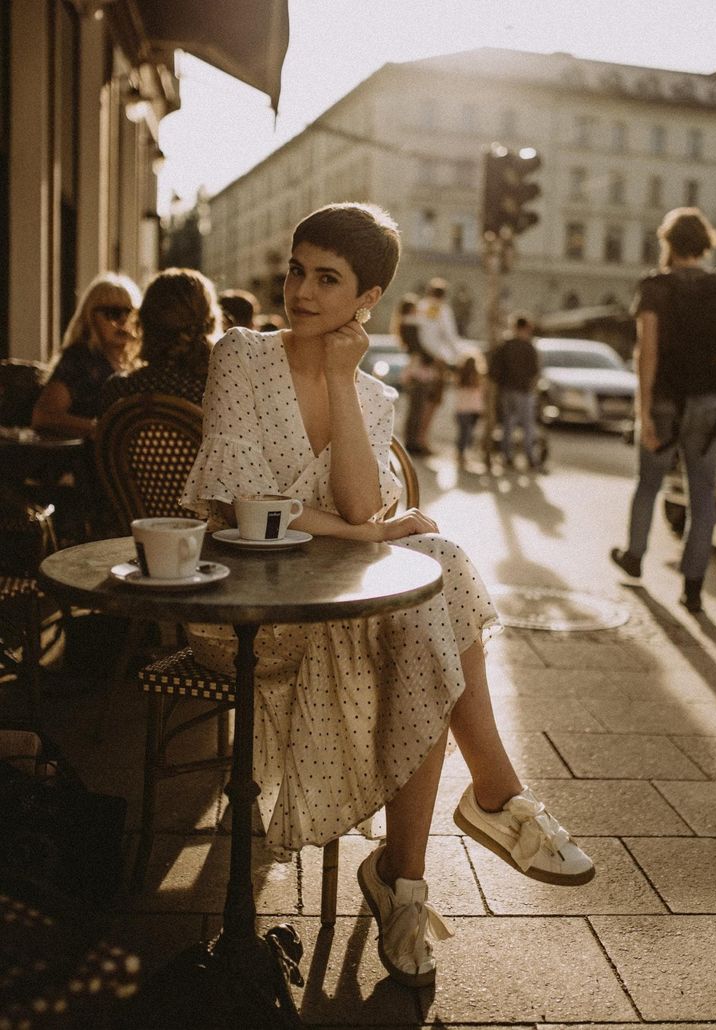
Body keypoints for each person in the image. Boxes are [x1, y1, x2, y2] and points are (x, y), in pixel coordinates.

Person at [181, 202, 594, 990]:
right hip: (242, 614)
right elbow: (244, 503)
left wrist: (340, 381)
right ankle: (478, 814)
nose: (300, 291)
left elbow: (359, 506)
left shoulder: (372, 396)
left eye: (326, 279)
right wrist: (366, 538)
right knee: (428, 591)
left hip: (335, 609)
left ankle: (407, 881)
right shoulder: (239, 354)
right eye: (298, 270)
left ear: (367, 299)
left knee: (426, 620)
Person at [611, 207, 716, 613]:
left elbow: (647, 351)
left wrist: (643, 410)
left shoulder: (655, 286)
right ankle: (693, 585)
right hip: (709, 402)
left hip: (665, 398)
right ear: (705, 244)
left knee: (649, 482)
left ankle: (634, 556)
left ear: (668, 242)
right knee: (703, 494)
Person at [32, 272, 141, 440]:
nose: (123, 320)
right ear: (91, 317)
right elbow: (44, 416)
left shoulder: (139, 363)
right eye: (113, 312)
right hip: (89, 459)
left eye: (130, 312)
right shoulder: (78, 359)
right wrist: (104, 429)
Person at [100, 268, 221, 412]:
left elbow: (104, 434)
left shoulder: (119, 389)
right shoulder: (219, 391)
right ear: (208, 322)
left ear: (144, 322)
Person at [411, 277, 462, 455]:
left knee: (420, 402)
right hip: (437, 360)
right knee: (432, 401)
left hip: (423, 359)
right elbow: (449, 335)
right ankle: (422, 439)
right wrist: (457, 357)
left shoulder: (421, 307)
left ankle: (416, 439)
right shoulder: (440, 309)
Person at [489, 313, 541, 468]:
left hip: (507, 390)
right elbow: (534, 371)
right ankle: (529, 456)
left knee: (508, 423)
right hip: (523, 391)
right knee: (527, 425)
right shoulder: (528, 347)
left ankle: (508, 455)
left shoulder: (506, 345)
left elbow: (495, 370)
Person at [393, 293, 435, 455]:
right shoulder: (410, 325)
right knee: (417, 407)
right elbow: (419, 348)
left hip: (415, 367)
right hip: (418, 369)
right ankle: (412, 443)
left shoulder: (405, 325)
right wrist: (431, 358)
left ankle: (412, 441)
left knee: (415, 406)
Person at [454, 353, 486, 466]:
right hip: (472, 410)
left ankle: (460, 453)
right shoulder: (476, 378)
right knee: (467, 434)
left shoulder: (461, 378)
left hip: (462, 409)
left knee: (463, 433)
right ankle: (462, 454)